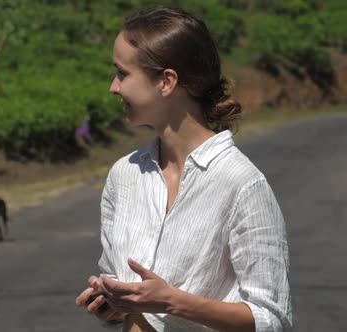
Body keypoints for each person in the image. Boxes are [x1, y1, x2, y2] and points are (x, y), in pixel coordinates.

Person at [75, 7, 291, 332]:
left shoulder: (241, 184)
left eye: (122, 74)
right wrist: (113, 304)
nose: (113, 87)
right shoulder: (124, 175)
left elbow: (272, 320)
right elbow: (129, 295)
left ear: (167, 81)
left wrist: (172, 302)